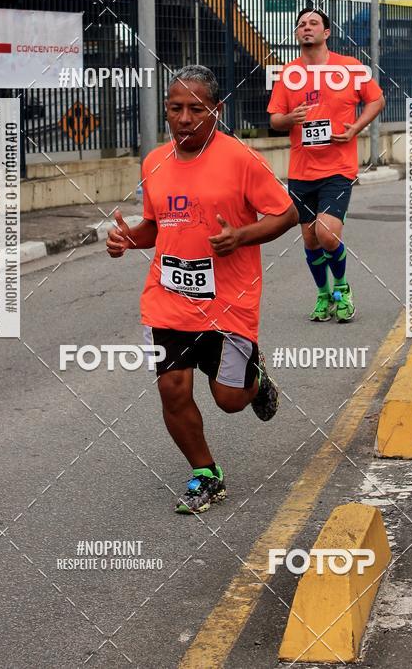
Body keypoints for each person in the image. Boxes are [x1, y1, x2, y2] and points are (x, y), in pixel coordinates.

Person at [107, 65, 298, 514]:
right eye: (176, 108)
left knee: (229, 400)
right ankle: (206, 473)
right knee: (172, 387)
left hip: (229, 300)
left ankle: (257, 379)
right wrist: (126, 239)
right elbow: (155, 226)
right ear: (167, 112)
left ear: (218, 109)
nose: (185, 118)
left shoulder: (242, 159)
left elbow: (286, 214)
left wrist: (241, 237)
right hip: (168, 298)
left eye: (197, 108)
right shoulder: (155, 162)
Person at [267, 7, 385, 322]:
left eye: (314, 23)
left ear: (326, 32)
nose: (307, 27)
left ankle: (342, 288)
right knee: (309, 239)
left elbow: (376, 99)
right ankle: (323, 295)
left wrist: (355, 128)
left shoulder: (349, 67)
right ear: (297, 33)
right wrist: (290, 118)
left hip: (337, 169)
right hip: (301, 172)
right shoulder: (289, 74)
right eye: (301, 24)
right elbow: (275, 119)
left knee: (327, 234)